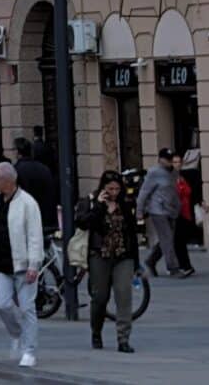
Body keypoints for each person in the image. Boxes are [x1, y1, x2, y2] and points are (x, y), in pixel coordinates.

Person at [0, 162, 44, 369]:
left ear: (8, 181)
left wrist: (34, 264)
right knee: (1, 304)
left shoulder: (28, 203)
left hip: (23, 264)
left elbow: (35, 235)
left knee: (27, 307)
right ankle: (17, 333)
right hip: (1, 263)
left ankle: (29, 350)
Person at [83, 170, 141, 353]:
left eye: (117, 188)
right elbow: (84, 224)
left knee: (124, 296)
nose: (114, 192)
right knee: (100, 297)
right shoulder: (93, 201)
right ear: (103, 188)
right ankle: (96, 332)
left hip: (123, 256)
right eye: (110, 189)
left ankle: (123, 338)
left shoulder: (125, 204)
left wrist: (136, 263)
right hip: (100, 254)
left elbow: (132, 233)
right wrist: (100, 207)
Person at [136, 147, 186, 278]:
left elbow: (174, 191)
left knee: (167, 239)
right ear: (160, 160)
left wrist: (178, 206)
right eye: (167, 159)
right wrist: (139, 211)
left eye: (171, 159)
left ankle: (151, 260)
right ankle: (173, 268)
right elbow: (144, 192)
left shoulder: (174, 173)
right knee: (167, 238)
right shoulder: (154, 173)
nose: (170, 162)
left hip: (171, 210)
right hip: (158, 210)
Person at [12, 137, 55, 229]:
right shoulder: (44, 169)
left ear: (17, 152)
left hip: (26, 219)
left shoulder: (15, 170)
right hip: (46, 219)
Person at [172, 153, 197, 275]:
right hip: (174, 213)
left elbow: (191, 192)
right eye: (174, 162)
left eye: (179, 162)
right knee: (178, 241)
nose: (177, 165)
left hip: (185, 212)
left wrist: (201, 203)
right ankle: (185, 265)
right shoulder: (168, 178)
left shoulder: (184, 176)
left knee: (175, 240)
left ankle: (152, 259)